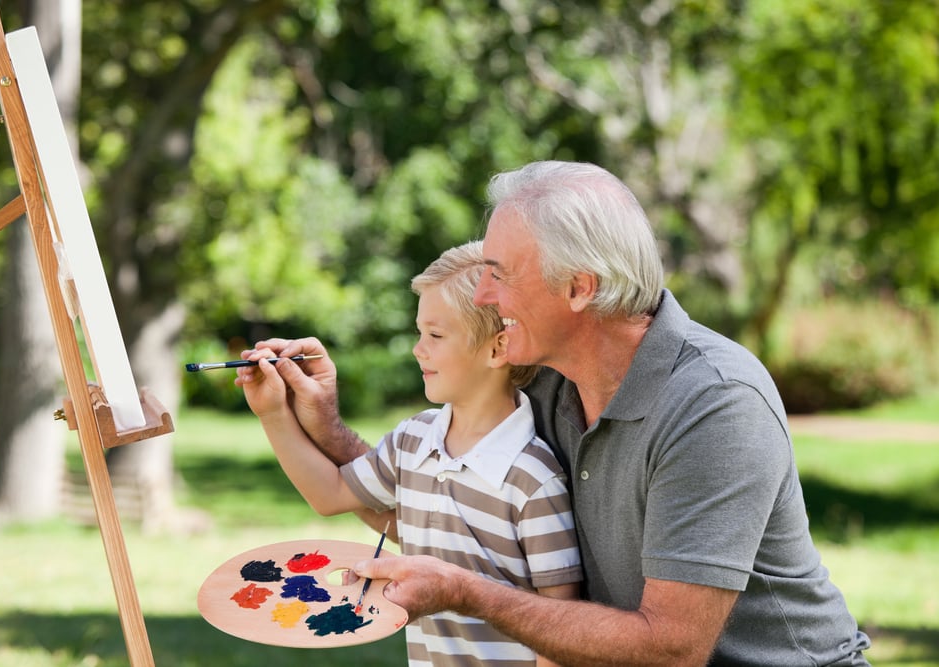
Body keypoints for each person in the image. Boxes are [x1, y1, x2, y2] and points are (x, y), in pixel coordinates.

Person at [244, 161, 872, 666]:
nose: (485, 297)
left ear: (579, 288)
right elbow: (441, 501)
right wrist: (321, 421)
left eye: (500, 273)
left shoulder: (715, 403)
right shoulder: (542, 381)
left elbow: (671, 648)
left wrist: (466, 593)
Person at [236, 241, 583, 667]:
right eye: (420, 332)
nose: (419, 349)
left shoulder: (533, 480)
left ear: (498, 348)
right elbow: (329, 494)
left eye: (435, 336)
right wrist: (272, 411)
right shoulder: (414, 439)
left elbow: (562, 631)